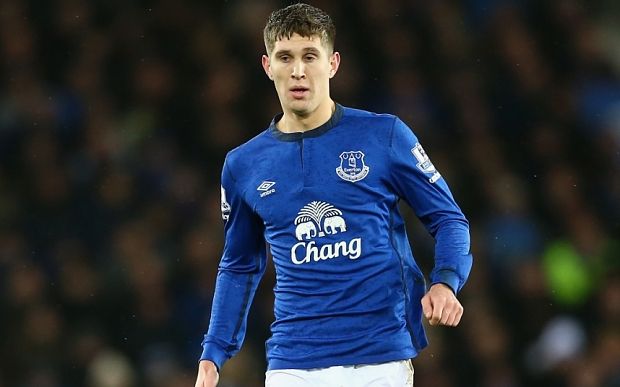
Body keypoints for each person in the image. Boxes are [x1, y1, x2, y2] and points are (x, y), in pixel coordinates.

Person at [195, 3, 473, 386]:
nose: (298, 70)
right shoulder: (243, 165)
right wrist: (213, 354)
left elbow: (448, 218)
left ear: (333, 64)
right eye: (285, 57)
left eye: (310, 56)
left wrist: (446, 280)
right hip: (292, 362)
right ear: (267, 66)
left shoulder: (383, 136)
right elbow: (239, 265)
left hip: (379, 358)